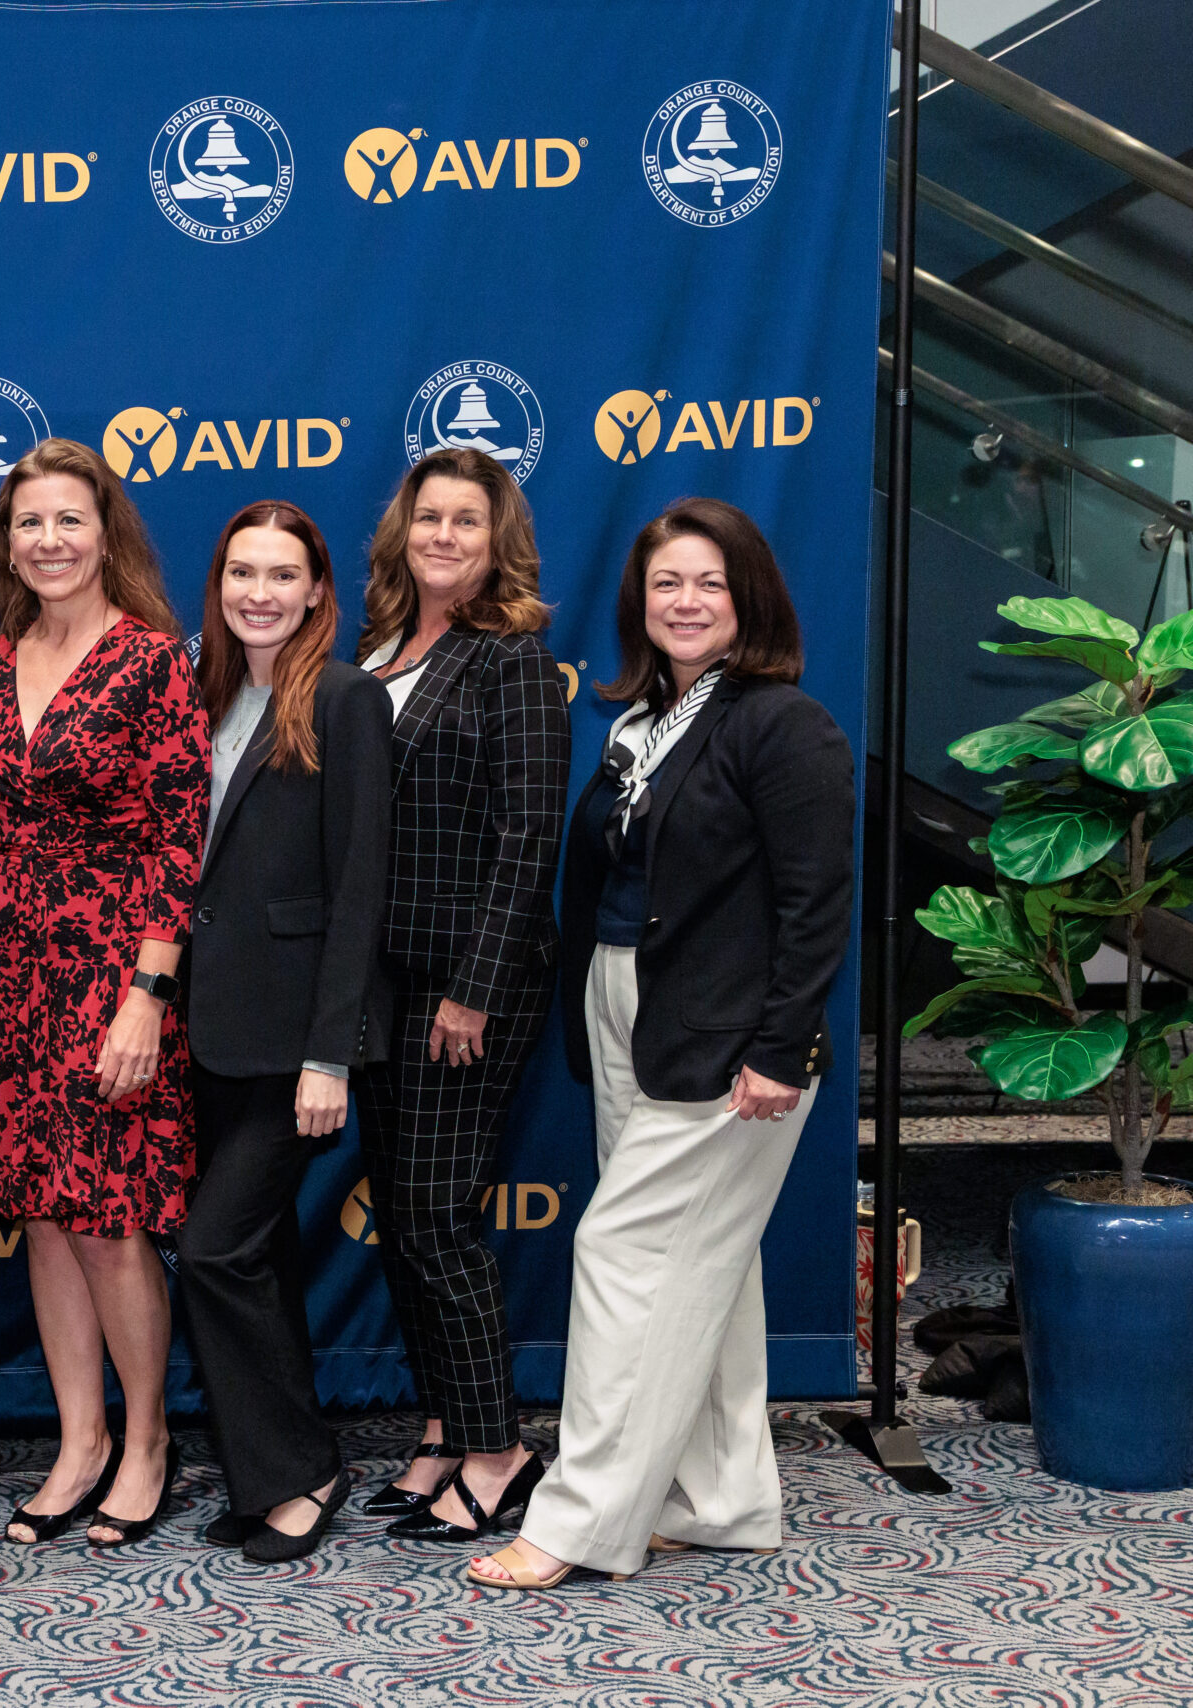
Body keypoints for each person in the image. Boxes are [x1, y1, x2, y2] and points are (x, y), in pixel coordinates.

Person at [471, 499, 852, 1591]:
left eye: (709, 583)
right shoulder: (645, 719)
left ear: (750, 599)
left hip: (727, 1032)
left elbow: (816, 904)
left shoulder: (784, 725)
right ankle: (721, 1500)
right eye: (665, 584)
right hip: (624, 1001)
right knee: (702, 1267)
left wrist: (780, 1046)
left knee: (624, 1254)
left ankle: (582, 1521)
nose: (685, 602)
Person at [0, 439, 208, 1549]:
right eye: (29, 522)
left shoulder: (150, 661)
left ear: (106, 535)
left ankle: (146, 1441)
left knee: (110, 1224)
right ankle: (79, 1443)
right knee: (47, 1218)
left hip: (113, 969)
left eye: (70, 519)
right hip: (7, 971)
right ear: (5, 543)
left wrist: (148, 992)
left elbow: (178, 840)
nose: (49, 540)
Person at [352, 448, 570, 1546]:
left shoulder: (511, 657)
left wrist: (474, 990)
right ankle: (443, 1429)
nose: (442, 535)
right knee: (402, 1218)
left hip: (468, 986)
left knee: (438, 1216)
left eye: (466, 521)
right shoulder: (380, 646)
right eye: (428, 516)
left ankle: (498, 1450)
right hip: (386, 979)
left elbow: (531, 836)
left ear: (498, 540)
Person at [176, 501, 392, 1563]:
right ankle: (265, 1475)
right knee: (254, 1254)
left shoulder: (346, 699)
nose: (258, 593)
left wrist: (329, 1053)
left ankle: (306, 1467)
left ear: (315, 593)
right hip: (209, 1027)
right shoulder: (205, 691)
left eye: (280, 575)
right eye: (240, 573)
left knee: (212, 1249)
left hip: (294, 1037)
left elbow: (360, 887)